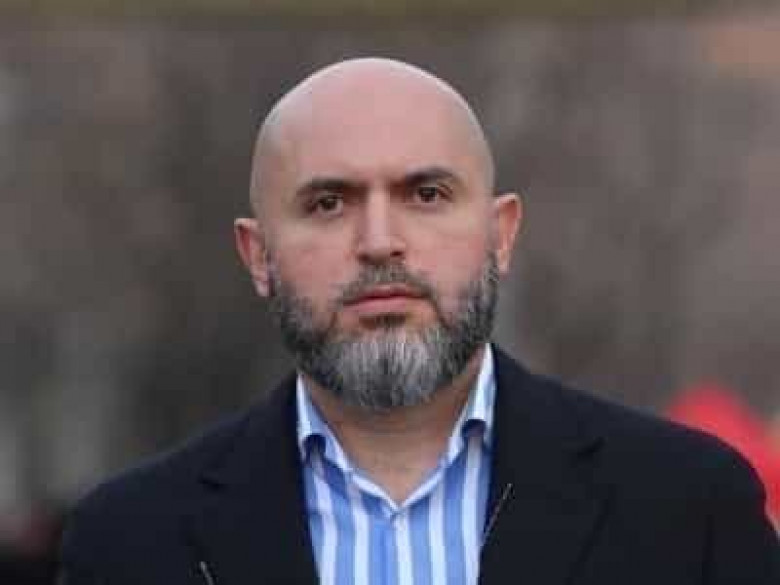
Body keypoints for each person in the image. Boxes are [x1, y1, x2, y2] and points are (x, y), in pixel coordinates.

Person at [59, 58, 779, 585]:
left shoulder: (688, 510)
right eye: (327, 203)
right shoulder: (129, 542)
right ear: (258, 255)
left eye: (426, 194)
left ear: (501, 234)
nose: (379, 241)